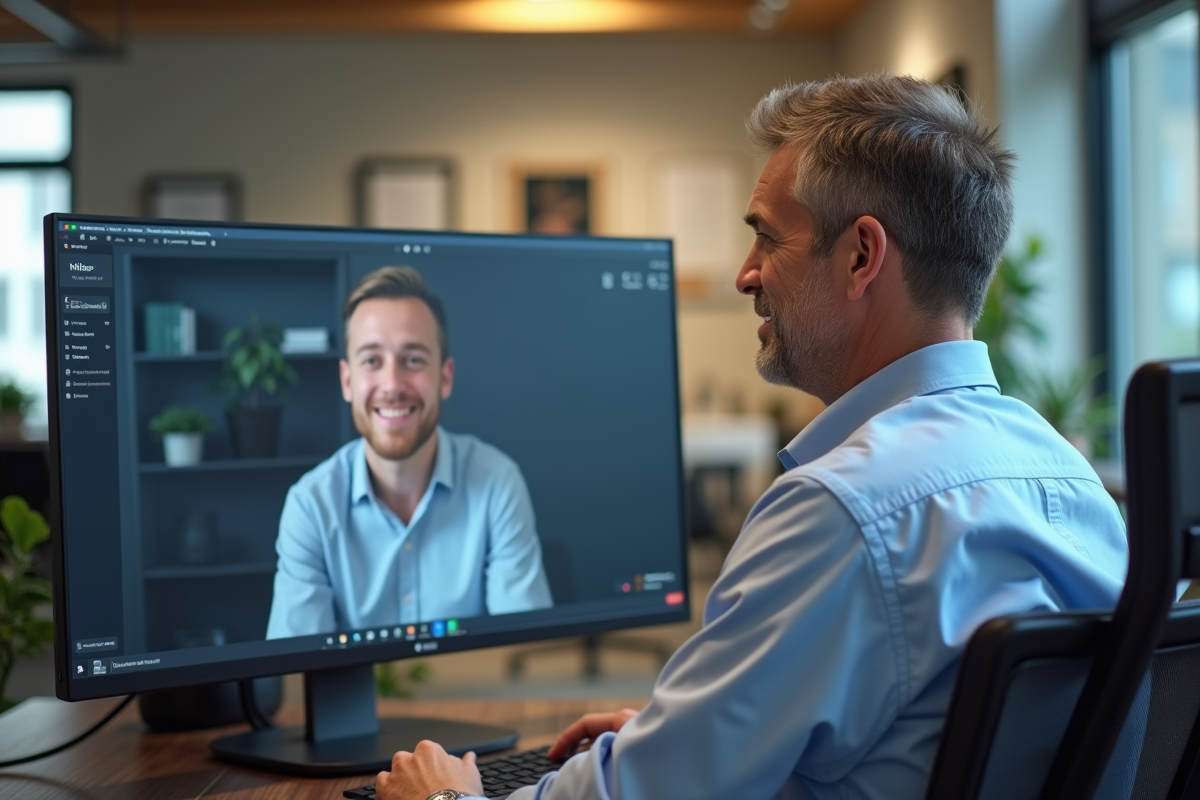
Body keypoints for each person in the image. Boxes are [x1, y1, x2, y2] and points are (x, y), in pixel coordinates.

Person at [373, 75, 1128, 800]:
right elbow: (929, 742)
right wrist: (694, 737)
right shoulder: (1073, 484)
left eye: (767, 238)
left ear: (862, 255)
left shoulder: (847, 512)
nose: (744, 274)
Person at [266, 266, 552, 639]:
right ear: (347, 380)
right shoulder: (310, 505)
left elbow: (524, 646)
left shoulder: (498, 482)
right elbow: (295, 671)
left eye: (413, 359)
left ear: (445, 377)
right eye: (371, 360)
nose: (392, 385)